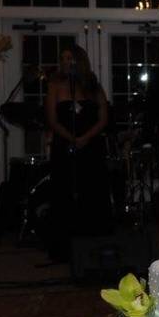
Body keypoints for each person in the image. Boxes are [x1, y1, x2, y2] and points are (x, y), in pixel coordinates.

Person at [45, 45, 112, 262]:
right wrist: (72, 138)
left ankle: (93, 243)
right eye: (63, 58)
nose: (66, 62)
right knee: (64, 192)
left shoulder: (92, 85)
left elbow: (103, 117)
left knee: (92, 192)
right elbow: (52, 119)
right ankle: (63, 248)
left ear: (79, 61)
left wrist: (86, 138)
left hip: (91, 147)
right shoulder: (55, 85)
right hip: (65, 146)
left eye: (70, 58)